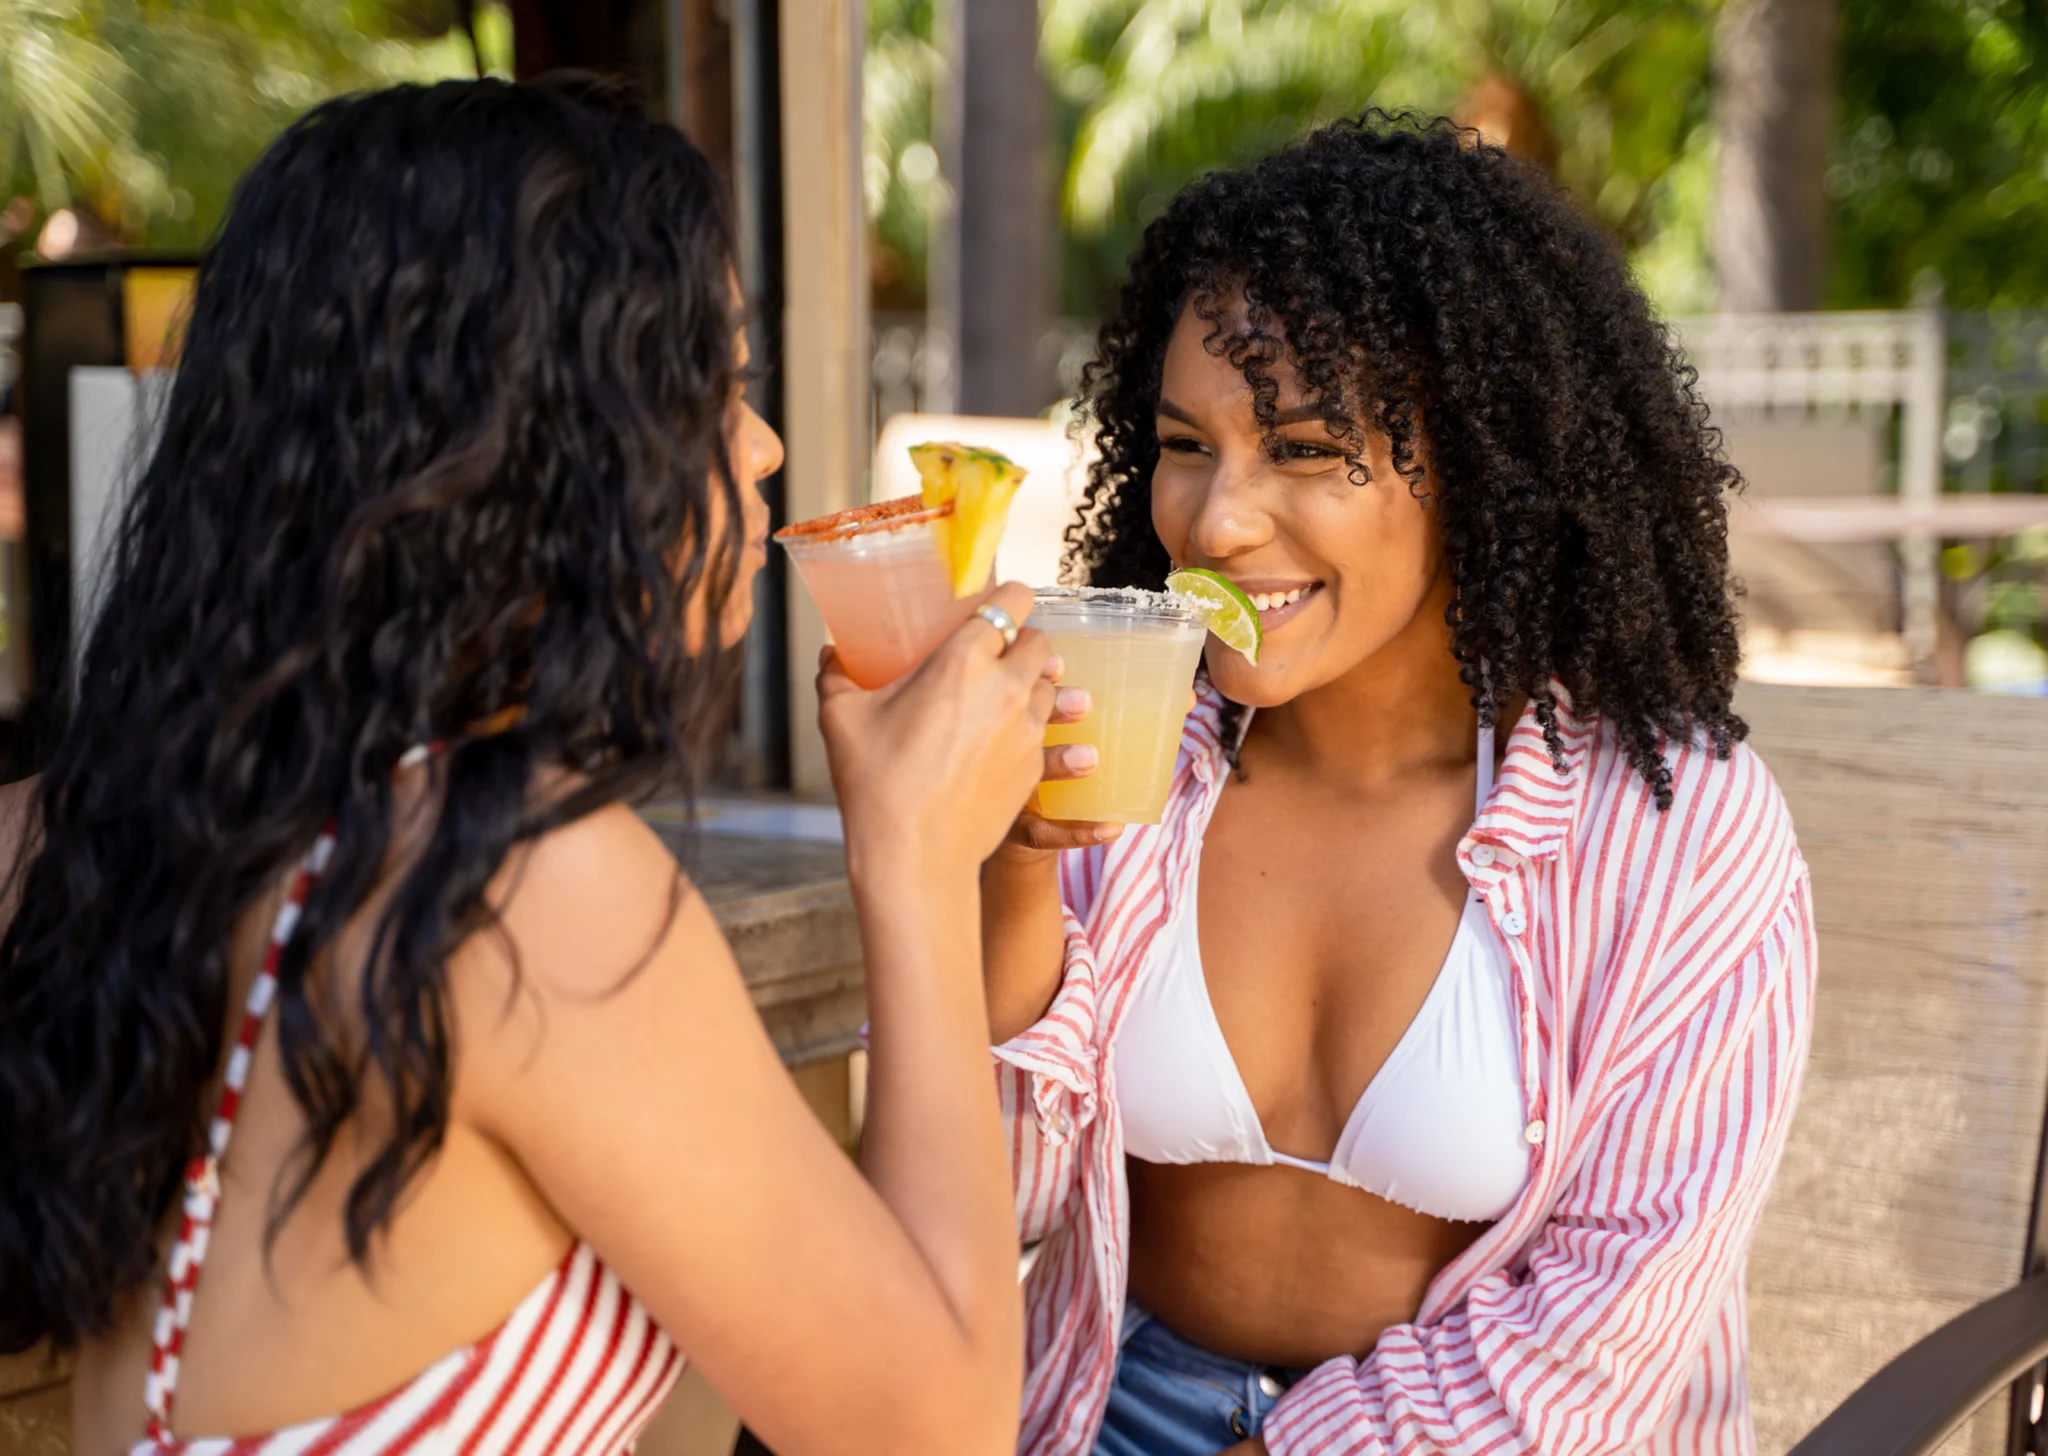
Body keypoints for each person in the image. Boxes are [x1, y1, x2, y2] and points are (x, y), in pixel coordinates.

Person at [0, 78, 1052, 1456]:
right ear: (544, 439)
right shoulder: (518, 886)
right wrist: (917, 860)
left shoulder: (93, 824)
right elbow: (938, 1433)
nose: (764, 446)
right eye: (716, 382)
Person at [982, 112, 1816, 1456]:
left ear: (1482, 465)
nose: (1215, 522)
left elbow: (1604, 1332)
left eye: (1306, 449)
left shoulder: (1667, 828)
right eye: (1185, 444)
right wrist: (1009, 867)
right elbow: (996, 1207)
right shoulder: (1124, 746)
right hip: (1111, 1411)